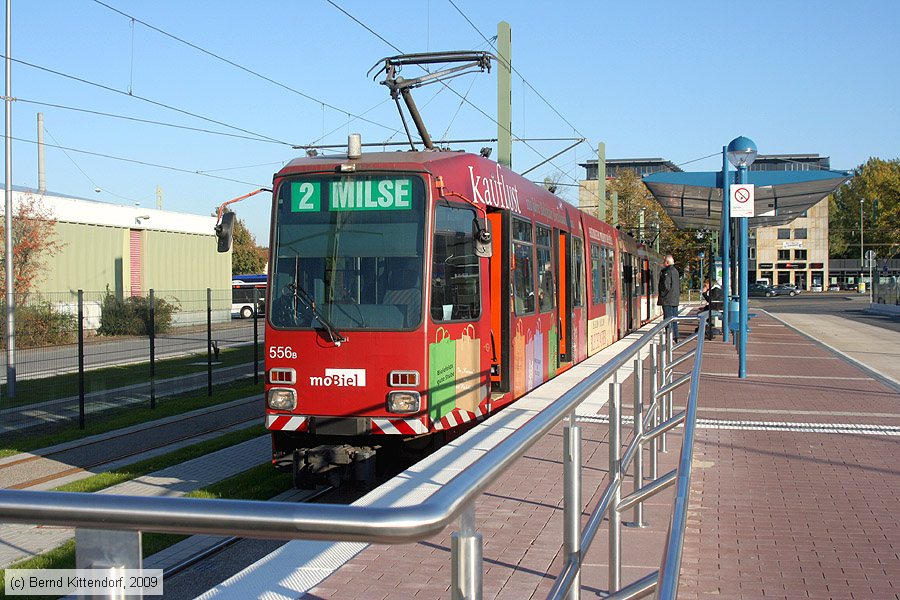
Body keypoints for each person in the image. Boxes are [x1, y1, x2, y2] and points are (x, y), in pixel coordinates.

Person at [657, 254, 681, 342]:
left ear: (667, 262)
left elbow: (666, 286)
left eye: (664, 262)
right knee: (674, 319)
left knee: (667, 320)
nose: (663, 263)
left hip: (668, 300)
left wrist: (662, 295)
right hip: (674, 299)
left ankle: (669, 337)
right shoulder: (675, 271)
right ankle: (676, 336)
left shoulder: (667, 271)